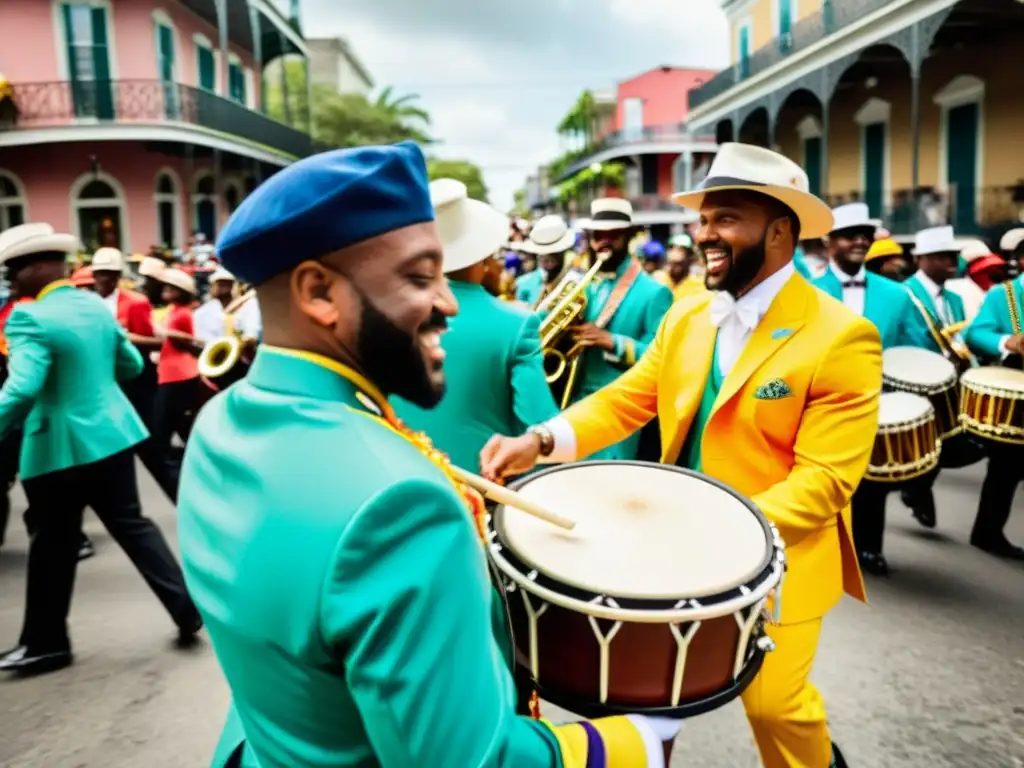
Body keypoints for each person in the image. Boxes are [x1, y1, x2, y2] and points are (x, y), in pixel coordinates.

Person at [177, 143, 676, 768]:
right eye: (420, 277)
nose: (447, 302)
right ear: (318, 293)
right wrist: (631, 742)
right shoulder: (400, 504)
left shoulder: (220, 421)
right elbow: (473, 759)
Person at [480, 143, 880, 768]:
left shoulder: (842, 336)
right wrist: (542, 439)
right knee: (634, 706)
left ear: (779, 231)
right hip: (666, 558)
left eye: (724, 219)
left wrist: (720, 531)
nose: (704, 234)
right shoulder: (689, 315)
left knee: (777, 709)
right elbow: (625, 401)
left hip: (775, 562)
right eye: (702, 219)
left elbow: (826, 481)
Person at [0, 224, 200, 676]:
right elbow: (129, 363)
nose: (11, 281)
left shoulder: (28, 317)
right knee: (132, 523)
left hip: (58, 447)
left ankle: (46, 643)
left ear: (38, 267)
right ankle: (186, 607)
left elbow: (21, 389)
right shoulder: (93, 305)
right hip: (112, 434)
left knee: (51, 543)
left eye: (14, 270)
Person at [392, 178, 559, 472]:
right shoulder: (518, 324)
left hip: (400, 478)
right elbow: (540, 423)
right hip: (482, 490)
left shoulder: (389, 316)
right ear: (482, 255)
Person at [811, 203, 926, 576]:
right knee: (821, 478)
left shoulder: (896, 295)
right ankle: (819, 546)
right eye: (850, 235)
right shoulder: (807, 291)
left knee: (871, 479)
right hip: (820, 401)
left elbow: (916, 346)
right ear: (829, 241)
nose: (860, 241)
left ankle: (868, 548)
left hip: (876, 399)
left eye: (865, 234)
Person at [568, 199, 673, 460]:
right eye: (597, 235)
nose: (603, 242)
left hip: (620, 411)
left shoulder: (654, 291)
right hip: (576, 404)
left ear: (627, 236)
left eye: (612, 235)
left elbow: (660, 359)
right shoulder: (588, 286)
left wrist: (610, 341)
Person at [900, 226, 971, 530]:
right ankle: (915, 490)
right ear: (923, 259)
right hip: (913, 378)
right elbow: (905, 336)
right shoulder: (904, 294)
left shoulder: (955, 298)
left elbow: (961, 333)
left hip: (949, 381)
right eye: (943, 256)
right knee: (921, 440)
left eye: (953, 255)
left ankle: (916, 488)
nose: (951, 261)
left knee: (945, 442)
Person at [962, 269, 1024, 560]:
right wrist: (1008, 342)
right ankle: (987, 532)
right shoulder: (1004, 294)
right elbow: (975, 333)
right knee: (1006, 468)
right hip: (1015, 391)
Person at [154, 267, 202, 478]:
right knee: (178, 423)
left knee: (163, 428)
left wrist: (163, 331)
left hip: (178, 374)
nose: (165, 290)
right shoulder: (172, 310)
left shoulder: (182, 313)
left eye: (170, 288)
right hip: (171, 372)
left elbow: (187, 340)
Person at [514, 215, 577, 308]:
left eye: (554, 255)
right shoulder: (524, 282)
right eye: (543, 256)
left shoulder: (577, 281)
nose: (548, 262)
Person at [947, 243, 1009, 322]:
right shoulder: (962, 292)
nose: (993, 273)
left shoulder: (997, 290)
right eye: (985, 271)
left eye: (995, 269)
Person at [656, 233, 706, 302]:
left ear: (690, 258)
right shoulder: (658, 281)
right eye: (672, 263)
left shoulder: (698, 286)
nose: (674, 268)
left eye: (679, 263)